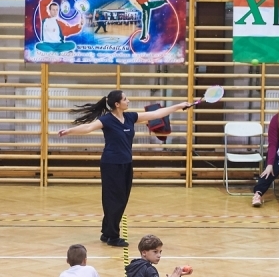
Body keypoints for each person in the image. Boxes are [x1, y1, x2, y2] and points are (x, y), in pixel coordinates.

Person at [58, 91, 191, 247]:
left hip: (126, 163)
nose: (129, 100)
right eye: (125, 99)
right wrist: (69, 131)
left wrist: (179, 106)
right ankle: (113, 236)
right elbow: (88, 127)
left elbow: (155, 114)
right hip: (111, 164)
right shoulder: (107, 120)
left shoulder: (130, 117)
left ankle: (106, 232)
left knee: (121, 199)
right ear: (117, 104)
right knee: (115, 200)